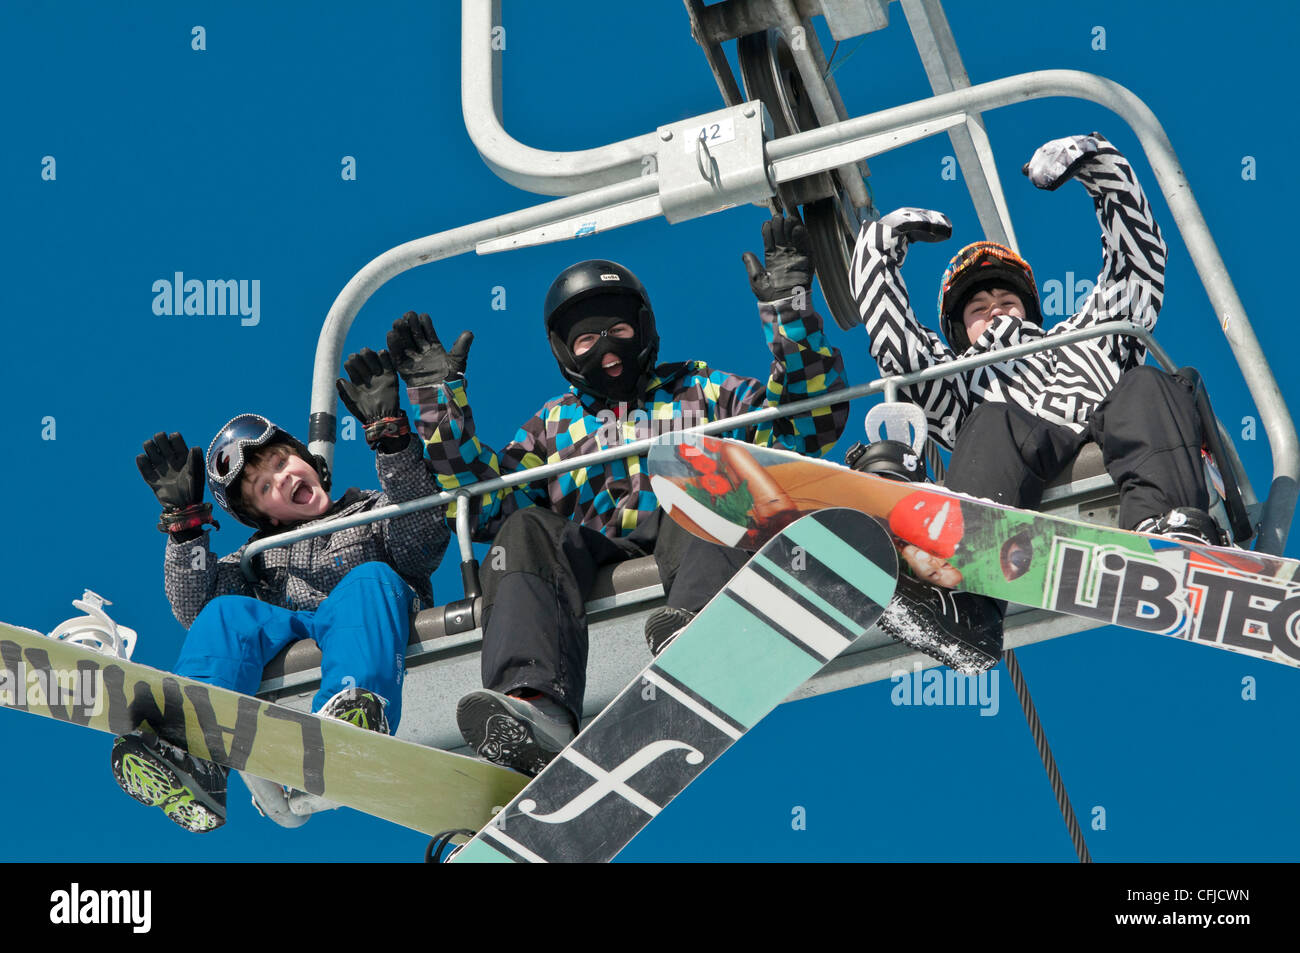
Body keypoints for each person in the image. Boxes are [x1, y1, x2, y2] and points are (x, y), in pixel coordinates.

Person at [394, 213, 849, 775]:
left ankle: (701, 634)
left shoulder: (701, 389)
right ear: (564, 353)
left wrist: (790, 315)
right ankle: (536, 702)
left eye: (618, 331)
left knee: (695, 471)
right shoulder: (552, 427)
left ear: (645, 329)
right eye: (586, 338)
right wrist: (438, 403)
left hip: (695, 544)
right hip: (601, 549)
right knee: (524, 530)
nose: (604, 348)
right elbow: (483, 501)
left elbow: (805, 427)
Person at [848, 132, 1218, 673]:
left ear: (1029, 309)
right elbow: (894, 345)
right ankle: (968, 595)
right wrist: (879, 247)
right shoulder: (956, 381)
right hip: (1011, 459)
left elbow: (1136, 268)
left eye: (1006, 299)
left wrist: (1098, 163)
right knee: (991, 419)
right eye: (978, 307)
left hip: (1108, 436)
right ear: (958, 330)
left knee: (1148, 383)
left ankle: (1164, 528)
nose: (995, 311)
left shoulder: (1087, 334)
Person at [111, 348, 449, 832]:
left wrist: (391, 439)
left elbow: (422, 532)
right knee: (226, 615)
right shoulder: (259, 559)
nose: (282, 478)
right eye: (265, 487)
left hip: (373, 620)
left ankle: (349, 715)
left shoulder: (373, 514)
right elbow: (195, 607)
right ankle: (193, 748)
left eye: (283, 462)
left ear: (308, 461)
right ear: (265, 517)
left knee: (366, 581)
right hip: (297, 631)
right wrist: (185, 530)